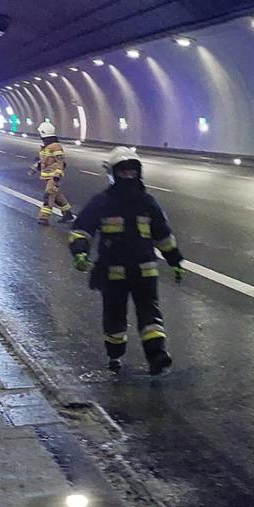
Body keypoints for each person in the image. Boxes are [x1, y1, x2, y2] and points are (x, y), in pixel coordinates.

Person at [68, 147, 186, 375]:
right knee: (115, 317)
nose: (129, 176)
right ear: (114, 173)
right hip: (115, 273)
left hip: (143, 271)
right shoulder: (102, 203)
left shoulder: (148, 203)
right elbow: (82, 230)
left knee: (150, 316)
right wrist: (80, 251)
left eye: (132, 172)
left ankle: (157, 356)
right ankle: (115, 354)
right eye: (124, 172)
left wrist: (175, 260)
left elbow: (162, 235)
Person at [33, 121, 75, 225]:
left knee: (49, 195)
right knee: (56, 196)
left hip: (54, 176)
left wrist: (57, 175)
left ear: (44, 133)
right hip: (48, 176)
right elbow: (43, 161)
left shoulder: (55, 146)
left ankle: (44, 217)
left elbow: (60, 162)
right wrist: (35, 168)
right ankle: (67, 214)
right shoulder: (46, 147)